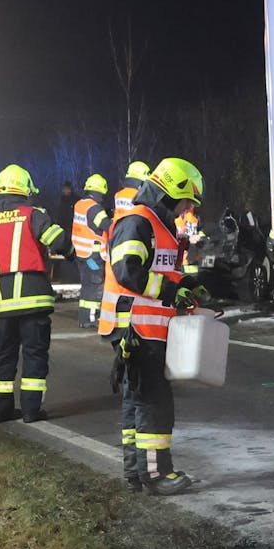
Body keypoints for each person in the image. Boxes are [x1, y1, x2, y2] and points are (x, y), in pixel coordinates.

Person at [99, 158, 209, 495]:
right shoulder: (137, 221)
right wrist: (172, 291)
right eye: (187, 201)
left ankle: (137, 472)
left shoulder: (154, 224)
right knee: (154, 403)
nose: (187, 209)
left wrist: (187, 285)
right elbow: (128, 272)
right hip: (137, 329)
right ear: (173, 191)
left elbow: (159, 272)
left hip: (145, 329)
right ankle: (157, 475)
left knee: (138, 401)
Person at [0, 164, 72, 423]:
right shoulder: (33, 214)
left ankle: (1, 411)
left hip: (2, 305)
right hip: (34, 301)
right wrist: (72, 253)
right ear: (26, 189)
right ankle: (31, 410)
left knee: (3, 356)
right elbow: (59, 242)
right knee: (34, 356)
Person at [71, 173, 112, 329]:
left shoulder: (80, 204)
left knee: (87, 285)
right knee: (95, 285)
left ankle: (84, 317)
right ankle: (91, 318)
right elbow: (106, 225)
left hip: (82, 254)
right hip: (93, 255)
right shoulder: (95, 208)